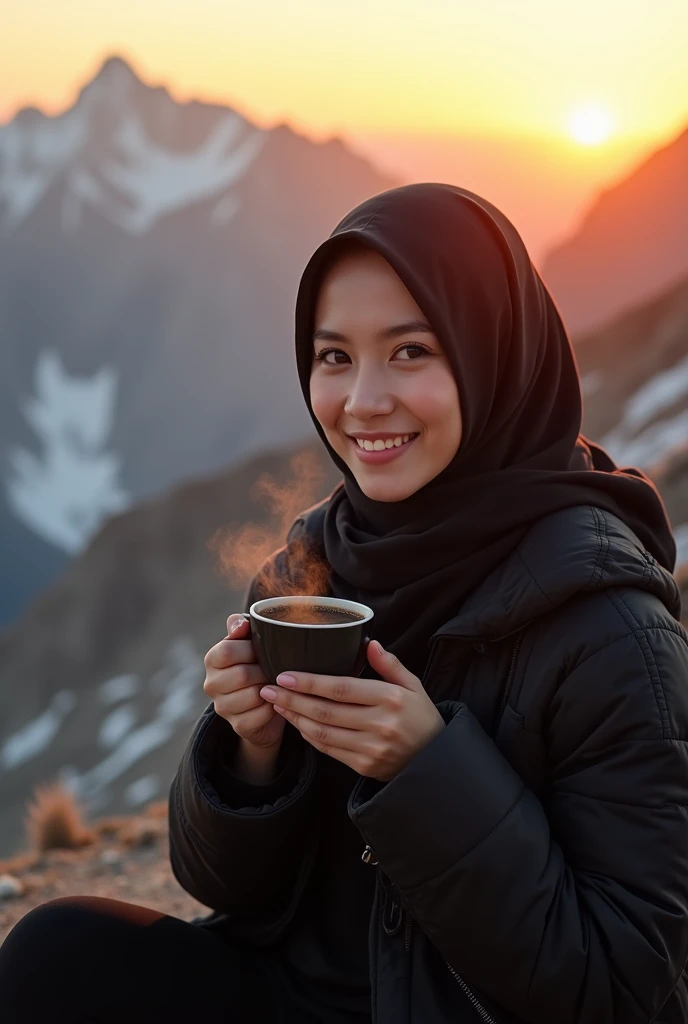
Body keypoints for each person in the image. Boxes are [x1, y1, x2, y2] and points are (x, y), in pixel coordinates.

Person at [1, 183, 687, 1024]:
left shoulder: (610, 630)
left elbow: (626, 991)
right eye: (334, 357)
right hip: (296, 999)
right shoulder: (315, 570)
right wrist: (249, 754)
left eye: (411, 352)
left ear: (493, 358)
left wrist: (427, 770)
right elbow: (219, 888)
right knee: (55, 953)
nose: (362, 401)